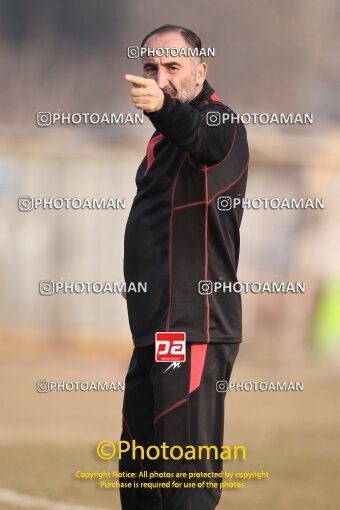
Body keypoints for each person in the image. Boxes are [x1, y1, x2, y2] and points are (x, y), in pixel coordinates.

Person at [120, 24, 249, 510]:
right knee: (140, 473)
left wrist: (164, 108)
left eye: (173, 67)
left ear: (201, 70)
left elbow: (203, 138)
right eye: (151, 67)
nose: (160, 78)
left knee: (183, 480)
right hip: (153, 331)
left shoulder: (219, 123)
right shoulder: (160, 143)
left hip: (191, 326)